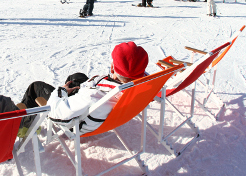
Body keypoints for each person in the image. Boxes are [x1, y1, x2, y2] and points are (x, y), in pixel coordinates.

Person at [20, 42, 149, 135]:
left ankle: (25, 126)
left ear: (112, 68)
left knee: (35, 87)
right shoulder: (143, 86)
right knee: (76, 77)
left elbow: (57, 113)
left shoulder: (94, 95)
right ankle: (72, 91)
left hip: (79, 122)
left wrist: (62, 92)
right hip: (101, 110)